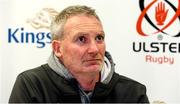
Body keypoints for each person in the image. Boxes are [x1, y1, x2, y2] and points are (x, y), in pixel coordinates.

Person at [9, 5, 149, 103]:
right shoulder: (32, 85)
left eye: (99, 38)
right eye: (82, 39)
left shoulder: (133, 92)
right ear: (58, 49)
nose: (94, 49)